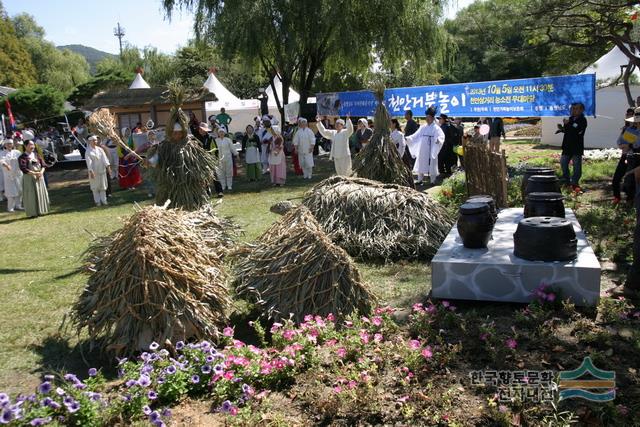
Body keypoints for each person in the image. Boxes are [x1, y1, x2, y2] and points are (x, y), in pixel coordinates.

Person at [405, 107, 445, 185]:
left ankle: (432, 180)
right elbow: (416, 135)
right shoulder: (423, 127)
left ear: (432, 118)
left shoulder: (436, 128)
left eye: (428, 117)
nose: (427, 119)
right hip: (423, 148)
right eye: (426, 117)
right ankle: (420, 179)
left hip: (432, 148)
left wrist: (438, 140)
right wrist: (409, 138)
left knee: (432, 163)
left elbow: (441, 136)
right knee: (421, 162)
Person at [560, 102, 588, 192]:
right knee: (563, 163)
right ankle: (566, 181)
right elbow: (568, 130)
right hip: (567, 146)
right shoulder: (570, 119)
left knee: (576, 165)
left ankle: (575, 183)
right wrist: (562, 128)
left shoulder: (582, 119)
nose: (573, 110)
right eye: (572, 109)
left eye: (576, 109)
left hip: (576, 146)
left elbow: (578, 128)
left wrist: (570, 123)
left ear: (581, 110)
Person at [19, 140, 49, 218]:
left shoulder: (36, 155)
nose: (33, 146)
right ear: (25, 146)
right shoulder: (22, 157)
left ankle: (41, 210)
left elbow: (43, 165)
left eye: (33, 145)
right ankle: (33, 212)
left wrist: (41, 172)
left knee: (40, 193)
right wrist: (35, 173)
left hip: (39, 177)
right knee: (31, 195)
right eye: (30, 145)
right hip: (30, 178)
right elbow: (24, 169)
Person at [613, 108, 637, 203]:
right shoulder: (626, 129)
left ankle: (630, 199)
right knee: (616, 179)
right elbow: (619, 142)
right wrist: (625, 145)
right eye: (627, 114)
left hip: (634, 157)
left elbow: (635, 144)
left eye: (631, 114)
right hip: (625, 156)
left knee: (630, 181)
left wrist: (630, 145)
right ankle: (617, 197)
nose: (629, 116)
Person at [85, 135, 111, 206]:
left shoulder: (100, 149)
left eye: (95, 140)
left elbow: (104, 159)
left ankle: (104, 200)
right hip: (94, 171)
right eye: (93, 140)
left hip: (102, 170)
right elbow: (88, 162)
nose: (95, 141)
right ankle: (97, 201)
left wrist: (108, 167)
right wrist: (91, 171)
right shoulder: (88, 151)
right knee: (95, 187)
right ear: (90, 141)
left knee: (103, 186)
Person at [1, 138, 23, 212]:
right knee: (11, 191)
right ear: (5, 145)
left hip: (18, 174)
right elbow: (2, 161)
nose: (9, 145)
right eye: (7, 144)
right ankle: (10, 208)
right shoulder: (2, 153)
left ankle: (18, 205)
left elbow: (22, 160)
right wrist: (7, 165)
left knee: (19, 190)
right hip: (8, 175)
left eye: (10, 143)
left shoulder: (17, 152)